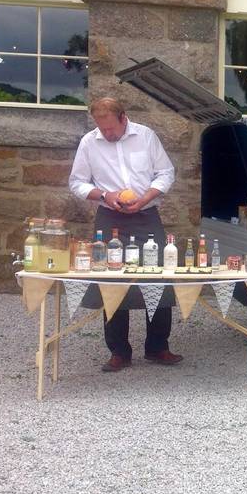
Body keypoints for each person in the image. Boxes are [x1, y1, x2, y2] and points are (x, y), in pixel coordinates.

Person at [69, 97, 183, 372]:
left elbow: (166, 173)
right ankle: (119, 351)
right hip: (109, 215)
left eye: (111, 128)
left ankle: (158, 347)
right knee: (111, 280)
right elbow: (77, 183)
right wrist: (105, 194)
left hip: (146, 214)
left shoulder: (145, 136)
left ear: (123, 118)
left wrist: (144, 199)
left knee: (158, 276)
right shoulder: (88, 142)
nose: (106, 134)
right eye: (102, 128)